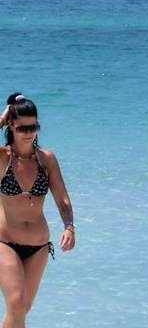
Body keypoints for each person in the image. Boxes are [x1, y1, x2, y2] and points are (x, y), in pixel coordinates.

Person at [0, 94, 75, 327]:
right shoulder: (3, 158)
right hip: (4, 242)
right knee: (16, 302)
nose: (29, 132)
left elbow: (62, 198)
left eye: (34, 126)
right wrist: (1, 118)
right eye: (23, 127)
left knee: (22, 310)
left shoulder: (46, 160)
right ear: (11, 125)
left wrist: (69, 226)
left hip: (39, 246)